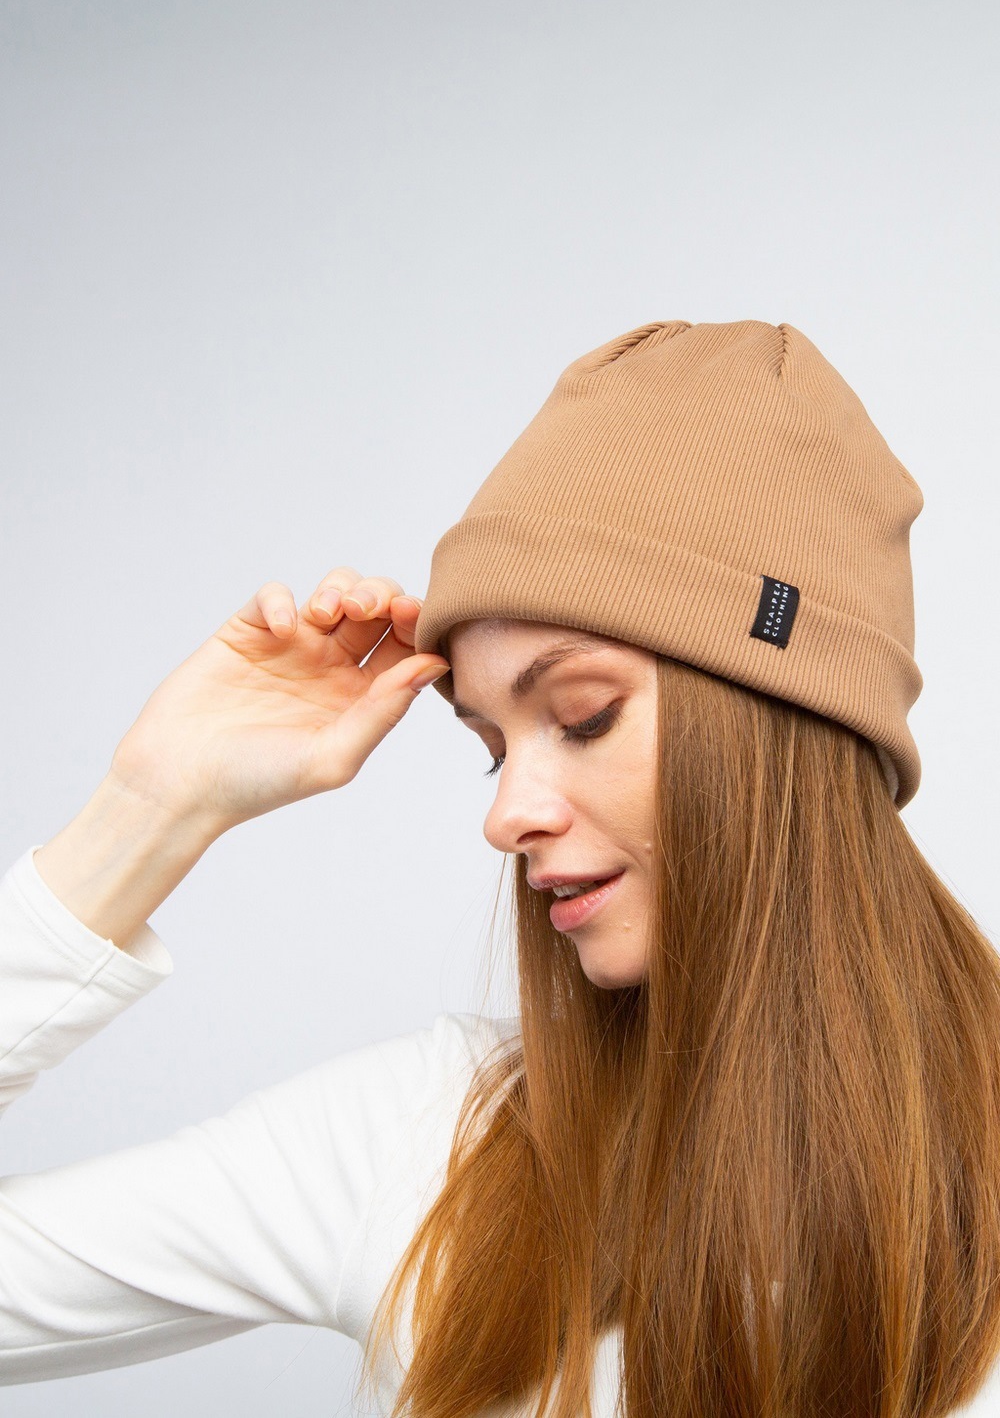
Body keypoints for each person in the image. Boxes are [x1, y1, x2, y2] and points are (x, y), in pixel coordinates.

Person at [2, 319, 999, 1418]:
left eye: (583, 716)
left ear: (783, 723)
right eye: (489, 748)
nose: (506, 815)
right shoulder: (433, 1143)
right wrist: (150, 810)